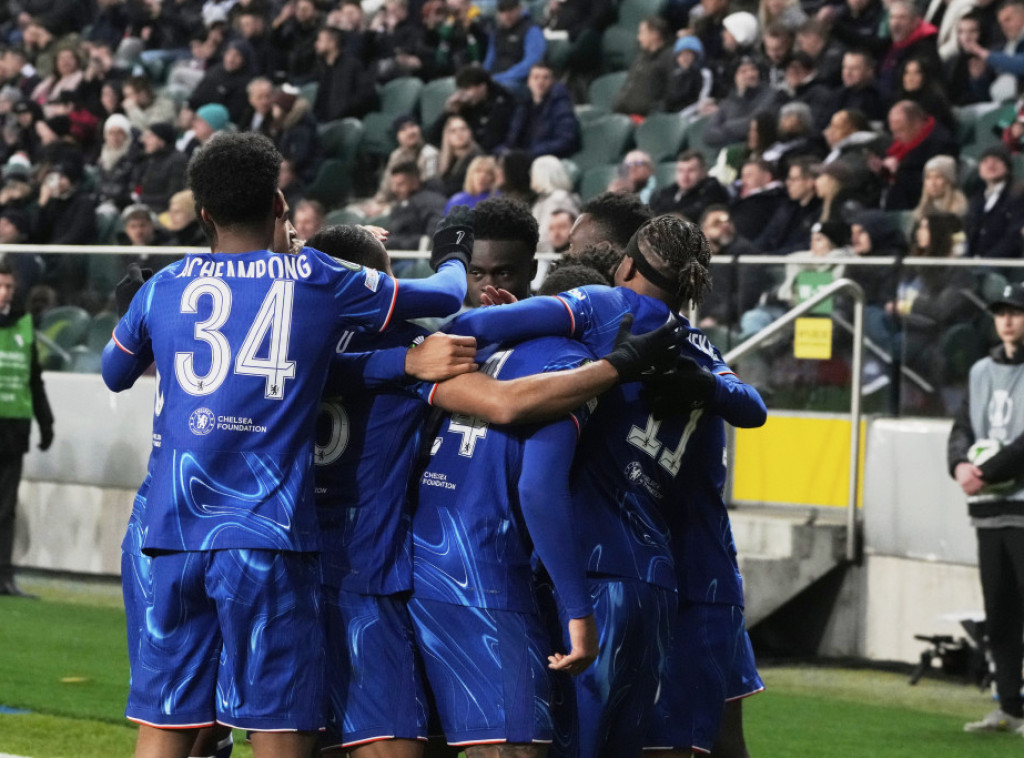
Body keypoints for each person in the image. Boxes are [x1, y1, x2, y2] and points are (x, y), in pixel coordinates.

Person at [101, 131, 473, 758]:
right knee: (279, 719)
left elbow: (115, 372)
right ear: (279, 204)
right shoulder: (316, 277)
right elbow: (445, 297)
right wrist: (453, 251)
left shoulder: (163, 285)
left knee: (168, 720)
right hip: (265, 534)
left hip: (172, 534)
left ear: (203, 214)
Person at [949, 282, 1024, 735]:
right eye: (1001, 312)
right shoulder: (980, 369)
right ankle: (1010, 708)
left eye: (1016, 312)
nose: (1008, 320)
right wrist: (960, 464)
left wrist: (987, 472)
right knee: (1000, 613)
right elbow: (962, 425)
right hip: (988, 512)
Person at [0, 260, 54, 598]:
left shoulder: (23, 323)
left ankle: (4, 576)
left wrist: (46, 423)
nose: (5, 292)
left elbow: (34, 378)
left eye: (9, 286)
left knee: (5, 509)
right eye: (1, 285)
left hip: (12, 431)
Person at [502, 62, 580, 159]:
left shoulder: (561, 106)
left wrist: (530, 153)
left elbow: (565, 140)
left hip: (550, 158)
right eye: (536, 78)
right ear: (528, 82)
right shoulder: (523, 106)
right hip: (523, 158)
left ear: (552, 81)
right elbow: (510, 139)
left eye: (545, 78)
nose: (540, 82)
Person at [964, 145, 1024, 259]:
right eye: (985, 161)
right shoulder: (977, 197)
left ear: (1007, 167)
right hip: (974, 261)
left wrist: (988, 260)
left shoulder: (1018, 196)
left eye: (997, 160)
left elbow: (1014, 236)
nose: (990, 165)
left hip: (1003, 263)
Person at [613, 15, 676, 117]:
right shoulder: (641, 57)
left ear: (655, 35)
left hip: (647, 120)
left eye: (642, 33)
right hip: (623, 115)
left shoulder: (668, 59)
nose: (639, 38)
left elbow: (671, 94)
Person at [483, 0, 546, 92]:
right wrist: (483, 77)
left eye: (511, 10)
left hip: (520, 81)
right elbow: (489, 60)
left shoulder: (532, 29)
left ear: (519, 9)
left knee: (504, 88)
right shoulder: (496, 32)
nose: (507, 15)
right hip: (495, 78)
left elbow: (531, 63)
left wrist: (502, 77)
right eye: (503, 11)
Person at [650, 150, 730, 220]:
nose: (685, 176)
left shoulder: (712, 190)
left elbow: (696, 213)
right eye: (681, 170)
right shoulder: (667, 192)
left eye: (691, 170)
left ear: (703, 171)